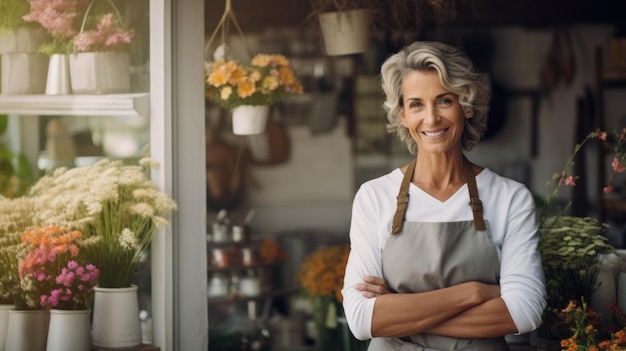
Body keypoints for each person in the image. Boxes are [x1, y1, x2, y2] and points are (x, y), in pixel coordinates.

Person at [341, 41, 546, 351]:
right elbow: (360, 320)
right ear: (403, 115)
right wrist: (476, 293)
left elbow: (524, 311)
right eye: (416, 104)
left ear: (466, 105)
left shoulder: (510, 198)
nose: (432, 118)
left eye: (444, 100)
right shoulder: (374, 197)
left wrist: (397, 312)